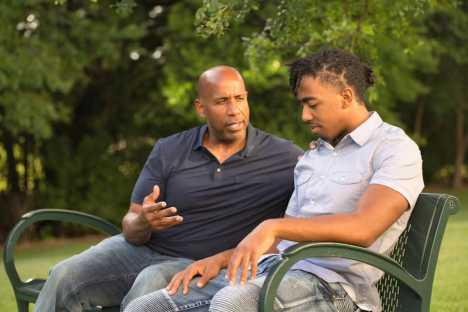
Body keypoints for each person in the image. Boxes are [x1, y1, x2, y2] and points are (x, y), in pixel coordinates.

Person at [123, 48, 424, 312]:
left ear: (346, 96)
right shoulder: (315, 156)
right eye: (302, 105)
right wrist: (222, 259)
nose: (304, 116)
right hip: (276, 270)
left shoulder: (393, 149)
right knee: (149, 306)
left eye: (312, 104)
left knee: (231, 303)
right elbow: (284, 241)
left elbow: (365, 227)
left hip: (336, 289)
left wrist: (273, 225)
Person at [34, 65, 302, 311]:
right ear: (201, 107)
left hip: (202, 264)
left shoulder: (284, 157)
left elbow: (317, 190)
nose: (234, 110)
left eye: (240, 99)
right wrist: (143, 221)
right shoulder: (170, 149)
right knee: (64, 275)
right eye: (222, 101)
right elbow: (130, 225)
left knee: (148, 286)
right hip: (141, 250)